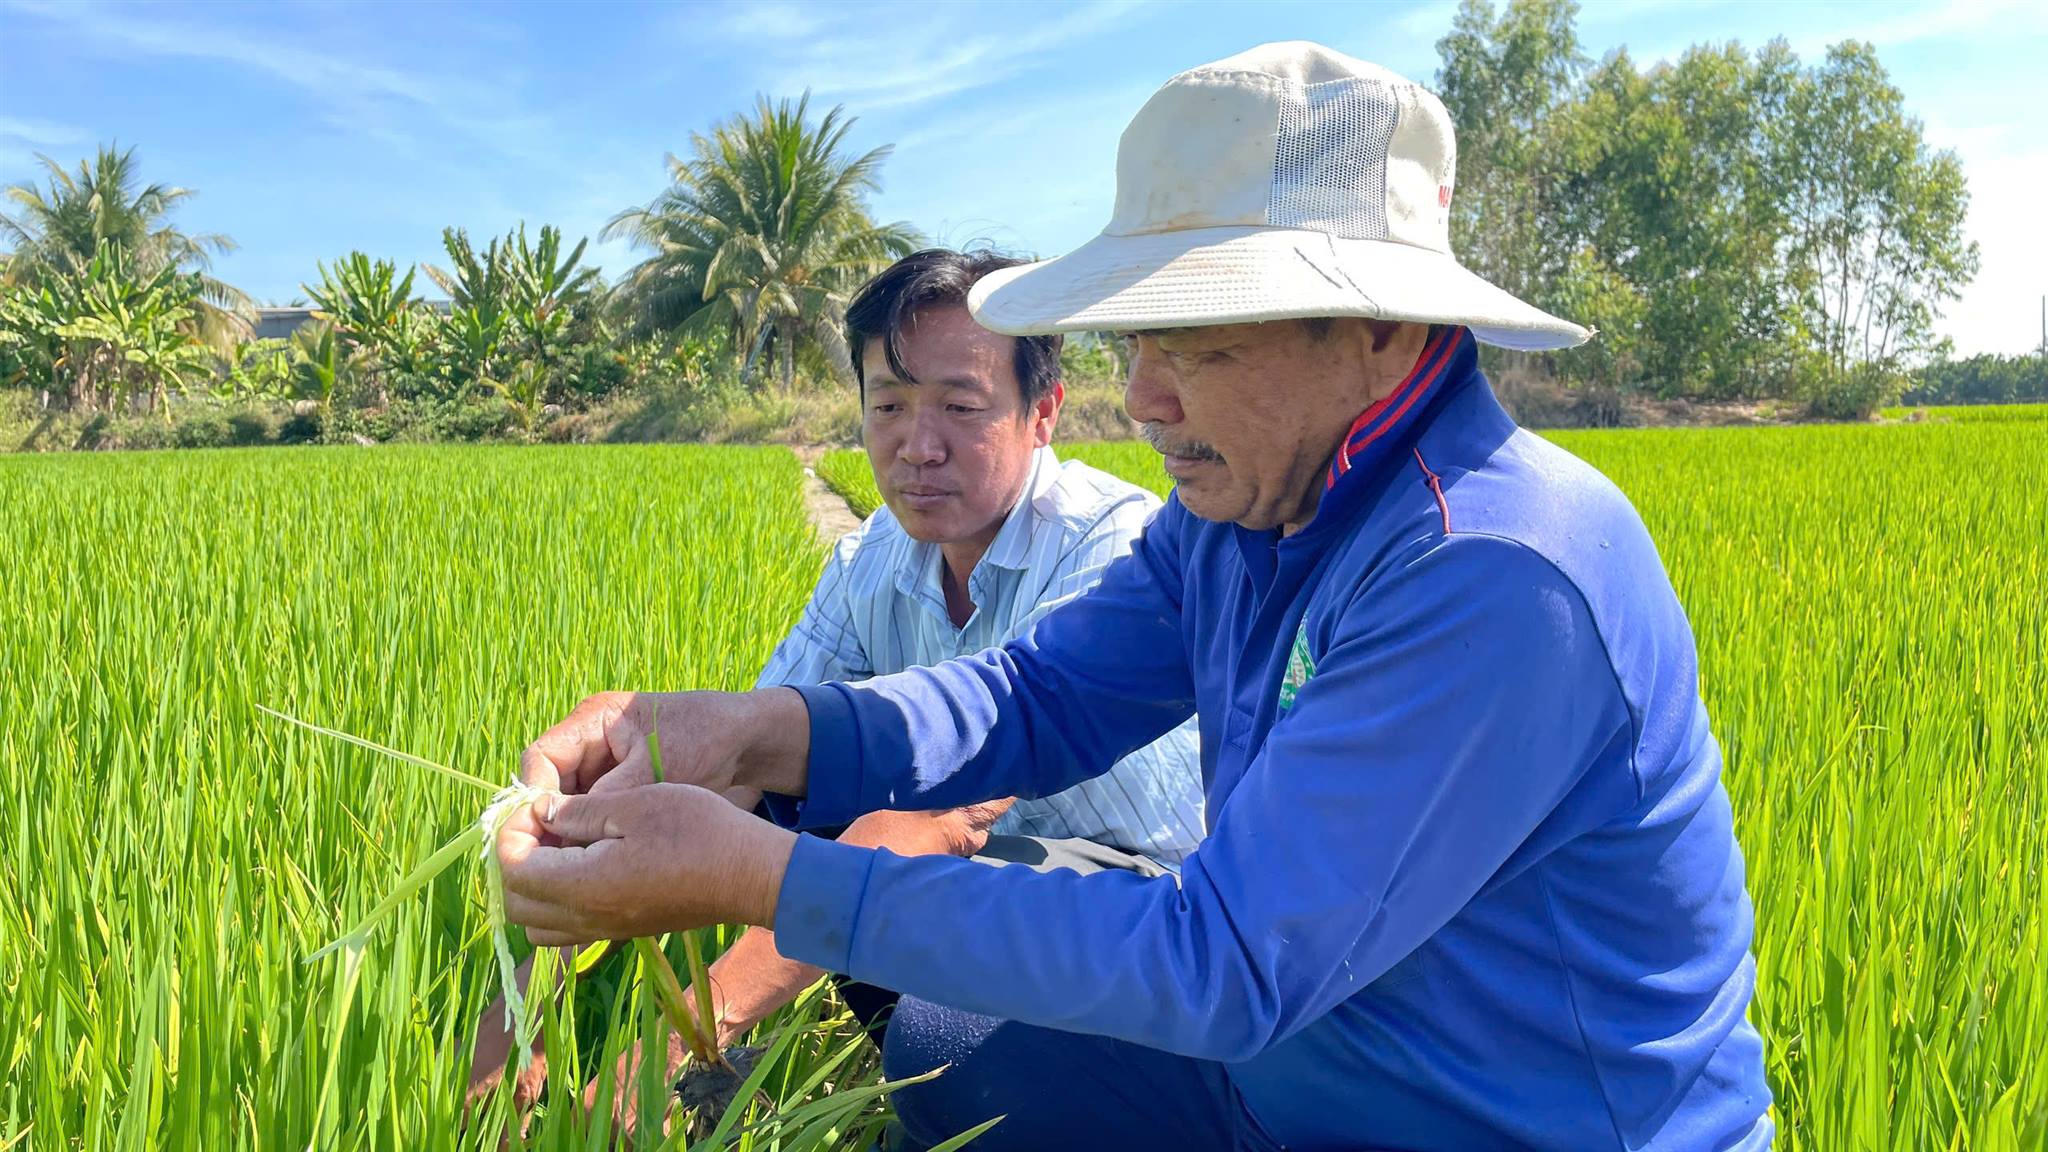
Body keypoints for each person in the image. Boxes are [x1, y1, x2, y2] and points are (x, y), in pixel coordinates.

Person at [498, 42, 1774, 1151]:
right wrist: (747, 730)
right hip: (1291, 1070)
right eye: (1135, 342)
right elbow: (1035, 694)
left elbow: (1220, 963)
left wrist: (759, 875)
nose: (1147, 398)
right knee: (948, 1050)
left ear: (1384, 327)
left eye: (1202, 340)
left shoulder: (1491, 574)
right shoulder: (1241, 512)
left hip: (1487, 1122)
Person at [467, 248, 1204, 1116]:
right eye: (888, 405)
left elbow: (947, 820)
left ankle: (904, 1092)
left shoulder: (1107, 544)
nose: (917, 447)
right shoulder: (872, 560)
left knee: (930, 987)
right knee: (743, 789)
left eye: (961, 408)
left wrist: (673, 1044)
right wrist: (520, 1000)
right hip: (961, 888)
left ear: (1042, 414)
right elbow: (739, 770)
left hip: (1133, 894)